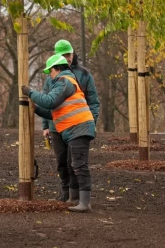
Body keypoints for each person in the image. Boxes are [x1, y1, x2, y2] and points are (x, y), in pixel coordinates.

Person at [22, 54, 95, 213]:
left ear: (58, 68)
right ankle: (74, 198)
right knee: (72, 164)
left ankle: (85, 202)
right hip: (75, 129)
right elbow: (54, 112)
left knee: (79, 165)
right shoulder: (64, 83)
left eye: (51, 71)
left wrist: (31, 93)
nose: (50, 75)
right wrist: (36, 109)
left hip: (79, 128)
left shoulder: (64, 81)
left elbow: (50, 101)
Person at [41, 40, 100, 204]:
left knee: (75, 162)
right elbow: (47, 100)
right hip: (56, 126)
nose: (67, 58)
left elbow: (93, 101)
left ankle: (76, 197)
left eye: (69, 54)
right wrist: (46, 126)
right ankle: (66, 193)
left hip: (76, 126)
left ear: (73, 54)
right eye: (63, 55)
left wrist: (89, 122)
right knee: (61, 161)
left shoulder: (84, 74)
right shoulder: (51, 76)